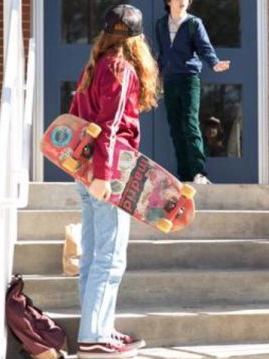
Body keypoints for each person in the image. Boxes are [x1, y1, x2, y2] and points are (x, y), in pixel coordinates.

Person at [68, 4, 159, 357]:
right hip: (110, 174)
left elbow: (75, 122)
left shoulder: (93, 67)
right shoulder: (122, 70)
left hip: (86, 171)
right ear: (138, 41)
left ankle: (100, 328)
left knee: (93, 257)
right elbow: (110, 127)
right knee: (110, 258)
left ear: (106, 34)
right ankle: (93, 337)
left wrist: (85, 172)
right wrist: (104, 176)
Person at [155, 0, 230, 184]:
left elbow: (204, 47)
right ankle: (185, 174)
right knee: (175, 128)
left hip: (189, 79)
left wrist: (214, 62)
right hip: (170, 80)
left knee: (190, 124)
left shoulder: (194, 23)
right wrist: (157, 77)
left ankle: (199, 172)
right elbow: (163, 54)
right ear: (169, 1)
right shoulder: (160, 25)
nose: (183, 1)